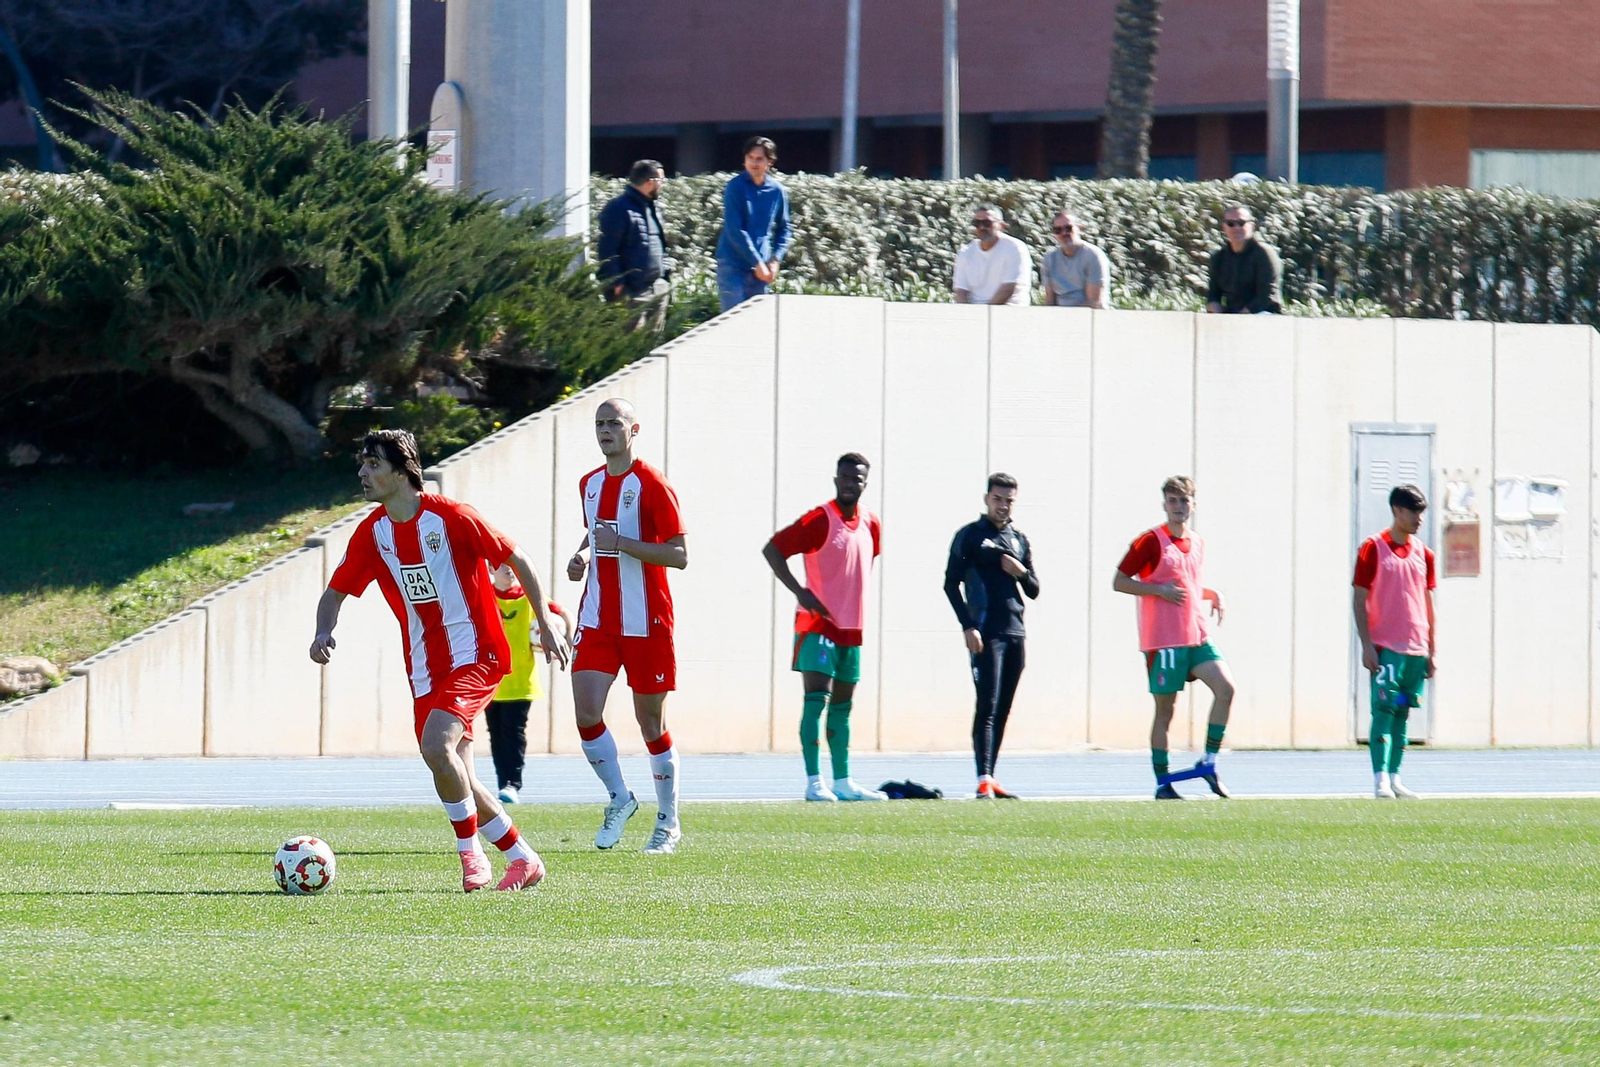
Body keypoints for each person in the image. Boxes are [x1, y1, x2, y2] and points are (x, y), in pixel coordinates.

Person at [309, 430, 570, 892]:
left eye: (372, 464)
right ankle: (522, 857)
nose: (362, 473)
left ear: (401, 469)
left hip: (477, 654)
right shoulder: (374, 532)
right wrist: (323, 630)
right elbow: (334, 594)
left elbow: (519, 558)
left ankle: (471, 858)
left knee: (436, 746)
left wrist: (546, 622)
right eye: (362, 464)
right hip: (425, 667)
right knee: (457, 771)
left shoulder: (453, 517)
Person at [566, 398, 688, 854]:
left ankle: (668, 822)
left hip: (646, 621)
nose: (605, 430)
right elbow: (596, 531)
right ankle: (619, 798)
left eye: (613, 422)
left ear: (634, 429)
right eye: (599, 423)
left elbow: (679, 554)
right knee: (586, 713)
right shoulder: (589, 483)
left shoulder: (653, 484)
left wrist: (621, 544)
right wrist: (583, 554)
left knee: (650, 723)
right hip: (598, 618)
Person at [762, 454, 886, 802]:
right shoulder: (820, 519)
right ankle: (814, 781)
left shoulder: (872, 525)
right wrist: (800, 591)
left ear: (865, 482)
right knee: (816, 700)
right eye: (845, 477)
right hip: (817, 624)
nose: (850, 483)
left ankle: (843, 781)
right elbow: (773, 549)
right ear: (836, 479)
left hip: (851, 627)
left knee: (843, 707)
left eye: (857, 479)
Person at [1113, 475, 1235, 800]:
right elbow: (1120, 581)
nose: (1179, 506)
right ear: (1165, 504)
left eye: (1185, 500)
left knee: (1226, 688)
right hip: (1164, 640)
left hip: (1196, 635)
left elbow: (1189, 585)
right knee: (1166, 712)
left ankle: (1209, 762)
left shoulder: (1198, 541)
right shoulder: (1149, 541)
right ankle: (1163, 782)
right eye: (1173, 500)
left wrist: (1212, 593)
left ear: (1193, 504)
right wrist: (1158, 591)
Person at [944, 473, 1039, 799]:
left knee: (1004, 708)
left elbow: (1034, 589)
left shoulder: (1019, 539)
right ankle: (982, 778)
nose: (1003, 505)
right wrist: (968, 626)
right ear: (987, 499)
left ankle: (992, 776)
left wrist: (1021, 572)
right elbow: (950, 584)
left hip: (1015, 630)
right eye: (998, 499)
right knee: (987, 703)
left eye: (1009, 500)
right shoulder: (970, 536)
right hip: (986, 632)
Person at [1352, 484, 1436, 800]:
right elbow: (1359, 599)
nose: (1419, 519)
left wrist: (1432, 650)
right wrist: (1367, 645)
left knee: (1403, 712)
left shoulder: (1424, 554)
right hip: (1388, 647)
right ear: (1397, 511)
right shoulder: (1372, 548)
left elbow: (1429, 605)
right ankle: (1379, 780)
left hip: (1416, 648)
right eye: (1414, 512)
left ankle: (1395, 776)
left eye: (1421, 513)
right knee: (1384, 710)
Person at [485, 562, 574, 804]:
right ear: (491, 570)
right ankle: (503, 782)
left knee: (513, 732)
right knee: (496, 734)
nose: (509, 569)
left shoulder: (529, 597)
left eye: (512, 565)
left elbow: (562, 612)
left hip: (521, 681)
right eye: (501, 566)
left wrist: (566, 639)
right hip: (490, 682)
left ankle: (513, 783)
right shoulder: (484, 594)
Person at [715, 136, 792, 312]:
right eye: (750, 158)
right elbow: (735, 229)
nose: (754, 163)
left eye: (759, 159)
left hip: (762, 267)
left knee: (756, 322)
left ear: (769, 162)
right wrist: (757, 263)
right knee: (731, 320)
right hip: (733, 264)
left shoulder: (777, 191)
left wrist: (776, 260)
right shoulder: (735, 187)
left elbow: (785, 229)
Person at [596, 159, 673, 332]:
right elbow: (607, 249)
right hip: (631, 291)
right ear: (650, 182)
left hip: (658, 287)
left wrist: (665, 275)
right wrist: (617, 284)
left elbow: (660, 244)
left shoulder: (653, 207)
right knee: (627, 346)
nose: (662, 185)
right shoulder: (618, 208)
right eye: (661, 180)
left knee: (653, 346)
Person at [1205, 203, 1283, 314]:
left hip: (1263, 313)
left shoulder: (1264, 254)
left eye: (1241, 223)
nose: (1236, 228)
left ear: (1252, 226)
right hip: (1232, 313)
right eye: (1231, 224)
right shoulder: (1219, 257)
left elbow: (1267, 295)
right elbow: (1213, 295)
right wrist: (1215, 310)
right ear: (1224, 227)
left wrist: (1242, 316)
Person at [952, 203, 1031, 306]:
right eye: (977, 223)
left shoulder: (1015, 248)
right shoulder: (965, 252)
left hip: (1009, 310)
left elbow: (1008, 289)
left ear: (1001, 226)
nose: (981, 227)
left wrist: (986, 316)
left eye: (987, 223)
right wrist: (967, 315)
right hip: (975, 312)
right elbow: (961, 291)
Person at [1040, 211, 1112, 309]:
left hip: (1090, 316)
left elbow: (1094, 301)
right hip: (1058, 316)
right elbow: (1049, 300)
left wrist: (1068, 317)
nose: (1064, 233)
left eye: (1068, 228)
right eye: (1058, 230)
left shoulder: (1093, 256)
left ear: (1079, 228)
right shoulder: (1049, 259)